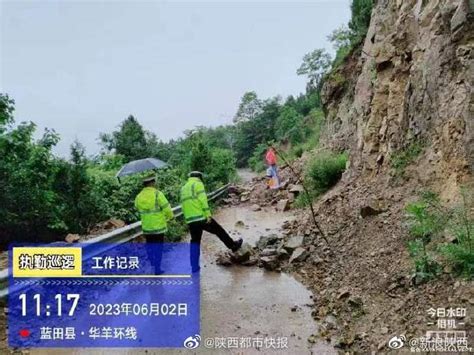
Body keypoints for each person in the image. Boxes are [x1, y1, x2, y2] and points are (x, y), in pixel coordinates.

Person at [181, 171, 243, 272]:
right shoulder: (198, 184)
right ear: (199, 177)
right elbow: (203, 201)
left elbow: (183, 205)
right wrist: (208, 215)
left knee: (195, 242)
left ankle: (194, 266)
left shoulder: (184, 188)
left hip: (191, 220)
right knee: (219, 231)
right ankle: (233, 246)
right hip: (201, 217)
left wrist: (187, 219)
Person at [135, 175, 173, 274]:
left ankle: (152, 262)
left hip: (147, 227)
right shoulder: (157, 194)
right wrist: (170, 217)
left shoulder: (139, 196)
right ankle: (157, 268)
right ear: (152, 183)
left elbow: (137, 207)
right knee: (159, 247)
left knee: (150, 245)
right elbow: (167, 208)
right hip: (158, 227)